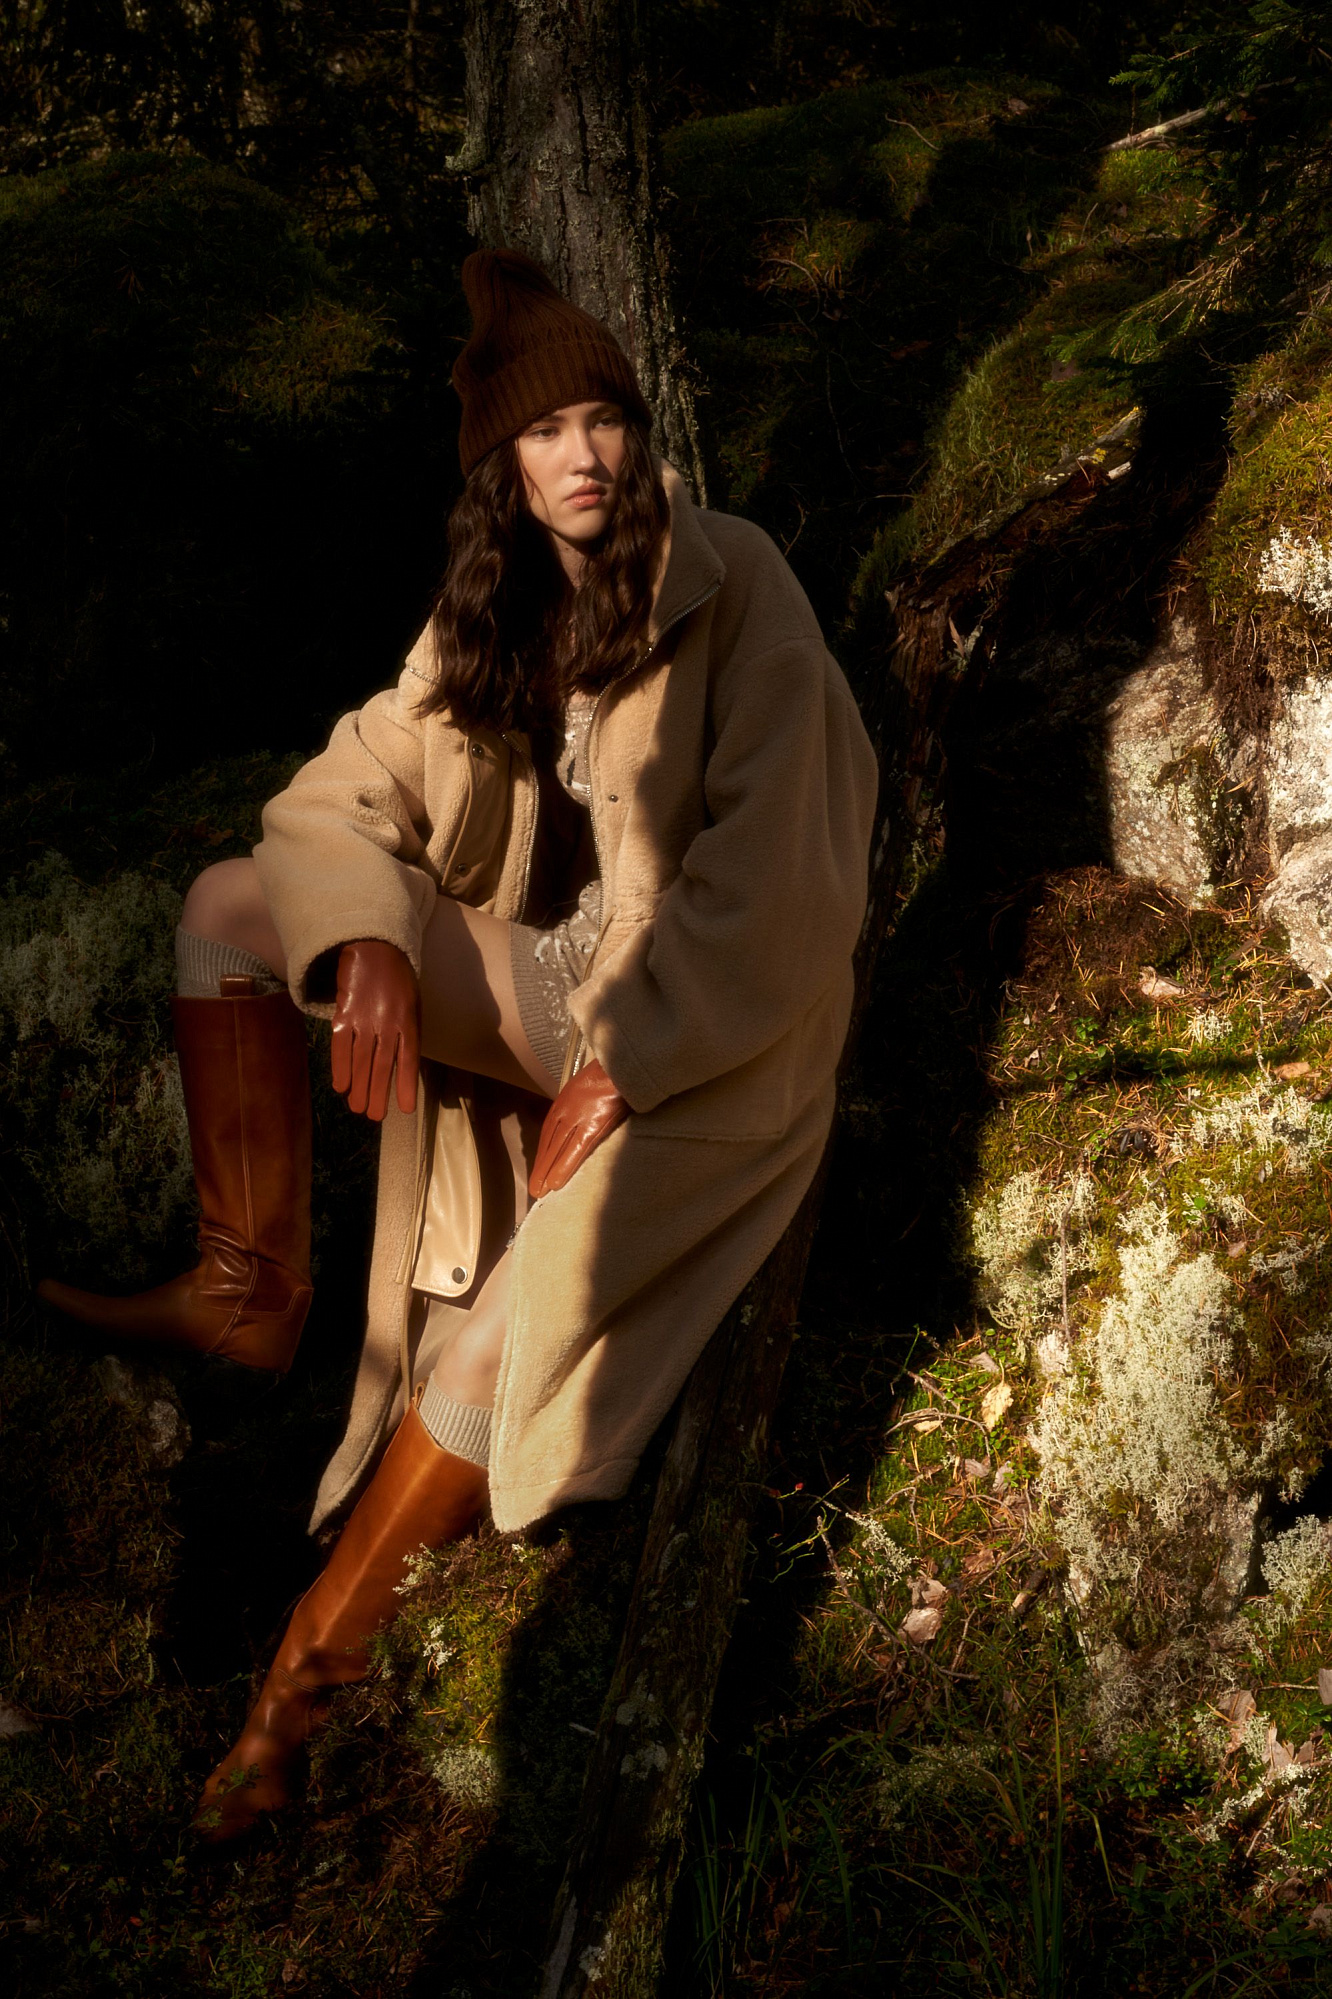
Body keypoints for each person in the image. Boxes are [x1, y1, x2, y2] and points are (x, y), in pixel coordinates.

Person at [39, 249, 878, 1839]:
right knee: (234, 905)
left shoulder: (738, 583)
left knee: (510, 1329)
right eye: (544, 431)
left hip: (716, 1036)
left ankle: (295, 1695)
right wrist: (365, 941)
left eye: (602, 420)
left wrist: (626, 1063)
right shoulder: (492, 606)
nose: (582, 455)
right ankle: (245, 1292)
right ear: (503, 464)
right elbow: (345, 787)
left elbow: (783, 881)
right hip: (559, 990)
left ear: (638, 433)